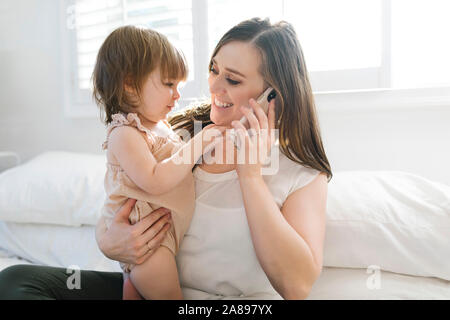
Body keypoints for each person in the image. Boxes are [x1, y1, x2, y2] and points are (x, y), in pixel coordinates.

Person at [0, 17, 331, 300]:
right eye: (213, 69)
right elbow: (125, 190)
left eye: (232, 79)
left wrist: (250, 176)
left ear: (272, 94)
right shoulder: (179, 132)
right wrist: (109, 239)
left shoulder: (300, 172)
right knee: (15, 281)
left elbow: (296, 285)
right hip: (150, 285)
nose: (214, 86)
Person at [93, 25, 225, 300]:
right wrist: (199, 142)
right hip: (148, 244)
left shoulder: (160, 127)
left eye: (178, 86)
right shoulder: (125, 133)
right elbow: (154, 180)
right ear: (129, 84)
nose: (177, 95)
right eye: (168, 84)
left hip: (161, 239)